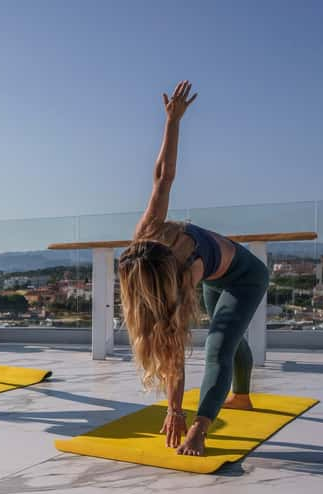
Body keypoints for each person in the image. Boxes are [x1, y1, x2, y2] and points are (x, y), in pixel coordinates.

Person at [119, 80, 268, 456]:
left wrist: (182, 414)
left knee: (219, 346)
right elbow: (162, 178)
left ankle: (204, 427)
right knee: (231, 335)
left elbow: (173, 346)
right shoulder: (145, 234)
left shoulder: (186, 276)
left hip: (246, 276)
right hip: (219, 273)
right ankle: (242, 395)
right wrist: (171, 121)